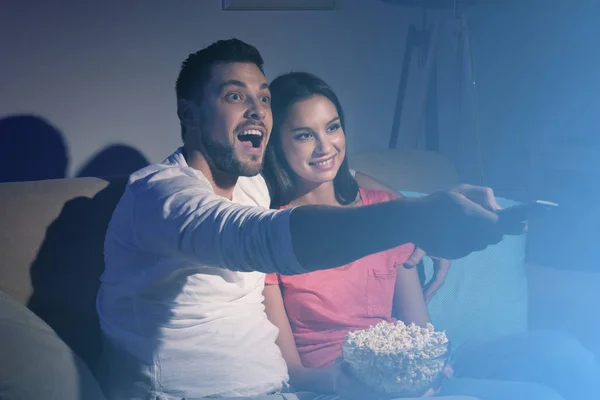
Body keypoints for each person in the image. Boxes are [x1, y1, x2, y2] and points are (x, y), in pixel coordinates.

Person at [96, 38, 523, 400]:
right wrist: (415, 216)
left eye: (263, 98)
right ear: (189, 113)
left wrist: (414, 216)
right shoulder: (159, 195)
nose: (256, 110)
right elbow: (259, 238)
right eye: (234, 96)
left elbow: (343, 177)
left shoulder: (253, 186)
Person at [261, 71, 565, 400]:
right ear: (277, 143)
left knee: (546, 385)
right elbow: (292, 370)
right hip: (339, 384)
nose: (325, 146)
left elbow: (418, 328)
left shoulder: (387, 210)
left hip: (409, 374)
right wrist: (352, 383)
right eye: (304, 135)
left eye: (332, 127)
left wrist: (428, 368)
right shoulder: (273, 232)